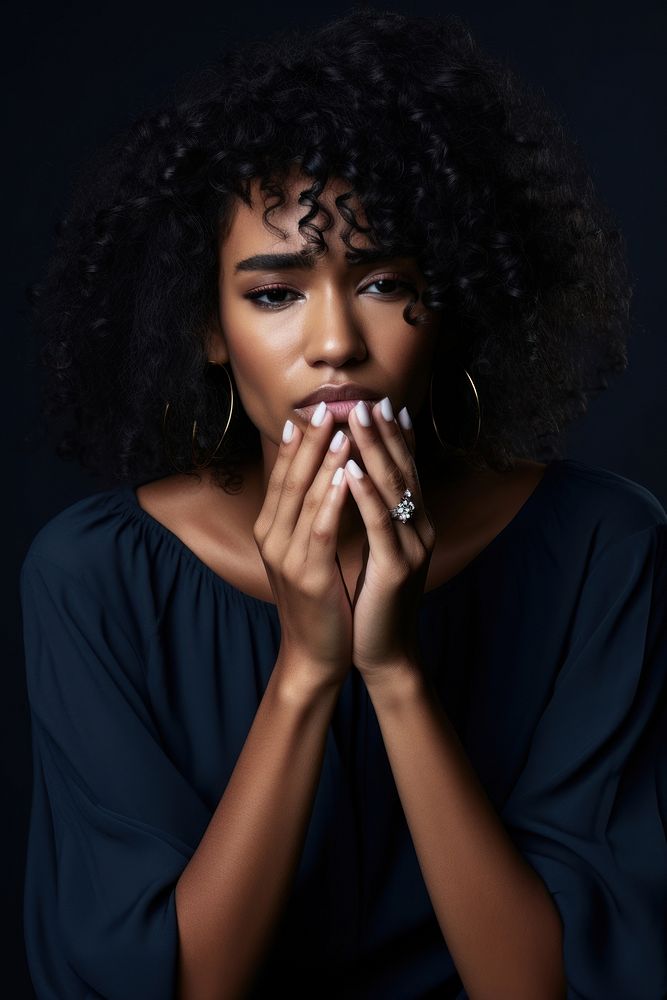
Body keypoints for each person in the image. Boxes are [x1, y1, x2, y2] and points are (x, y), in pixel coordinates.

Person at [19, 7, 667, 999]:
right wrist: (306, 669)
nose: (333, 344)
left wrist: (394, 673)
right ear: (208, 328)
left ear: (445, 304)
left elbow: (547, 987)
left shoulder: (601, 551)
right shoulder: (94, 577)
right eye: (274, 294)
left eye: (381, 281)